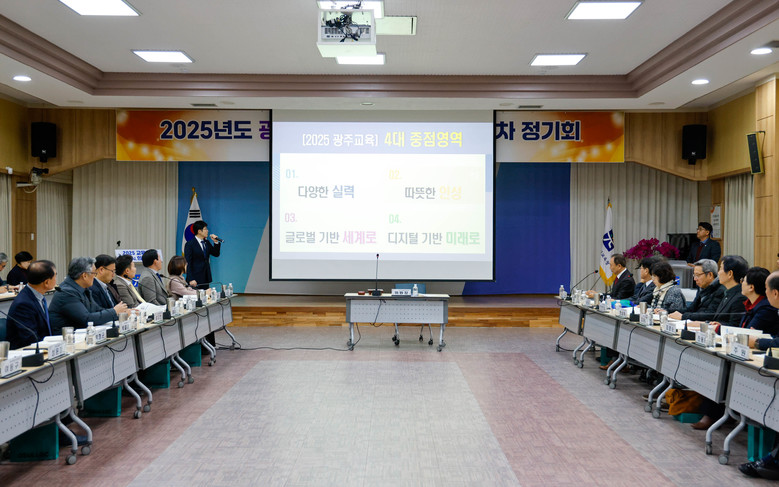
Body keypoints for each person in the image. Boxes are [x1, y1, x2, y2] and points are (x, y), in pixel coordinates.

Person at [740, 271, 779, 480]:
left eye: (766, 289)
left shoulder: (766, 309)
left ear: (775, 293)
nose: (765, 293)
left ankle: (772, 461)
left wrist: (757, 342)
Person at [48, 257, 128, 335]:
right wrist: (114, 312)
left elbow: (97, 310)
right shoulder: (66, 293)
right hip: (66, 339)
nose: (95, 276)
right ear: (85, 275)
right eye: (94, 273)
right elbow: (86, 319)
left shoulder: (83, 289)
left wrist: (120, 313)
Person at [6, 260, 57, 349]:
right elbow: (30, 339)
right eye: (55, 275)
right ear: (46, 282)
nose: (56, 279)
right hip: (25, 353)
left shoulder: (38, 296)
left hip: (43, 347)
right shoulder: (23, 304)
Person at [737, 266, 779, 335]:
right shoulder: (750, 304)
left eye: (743, 281)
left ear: (751, 287)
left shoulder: (766, 308)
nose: (741, 284)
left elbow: (748, 334)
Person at [184, 220, 221, 289]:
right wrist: (190, 278)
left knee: (207, 295)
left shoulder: (207, 243)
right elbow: (188, 262)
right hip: (195, 278)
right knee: (196, 295)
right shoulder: (190, 244)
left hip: (206, 277)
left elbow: (216, 254)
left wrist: (216, 242)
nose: (207, 231)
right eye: (205, 229)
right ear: (199, 231)